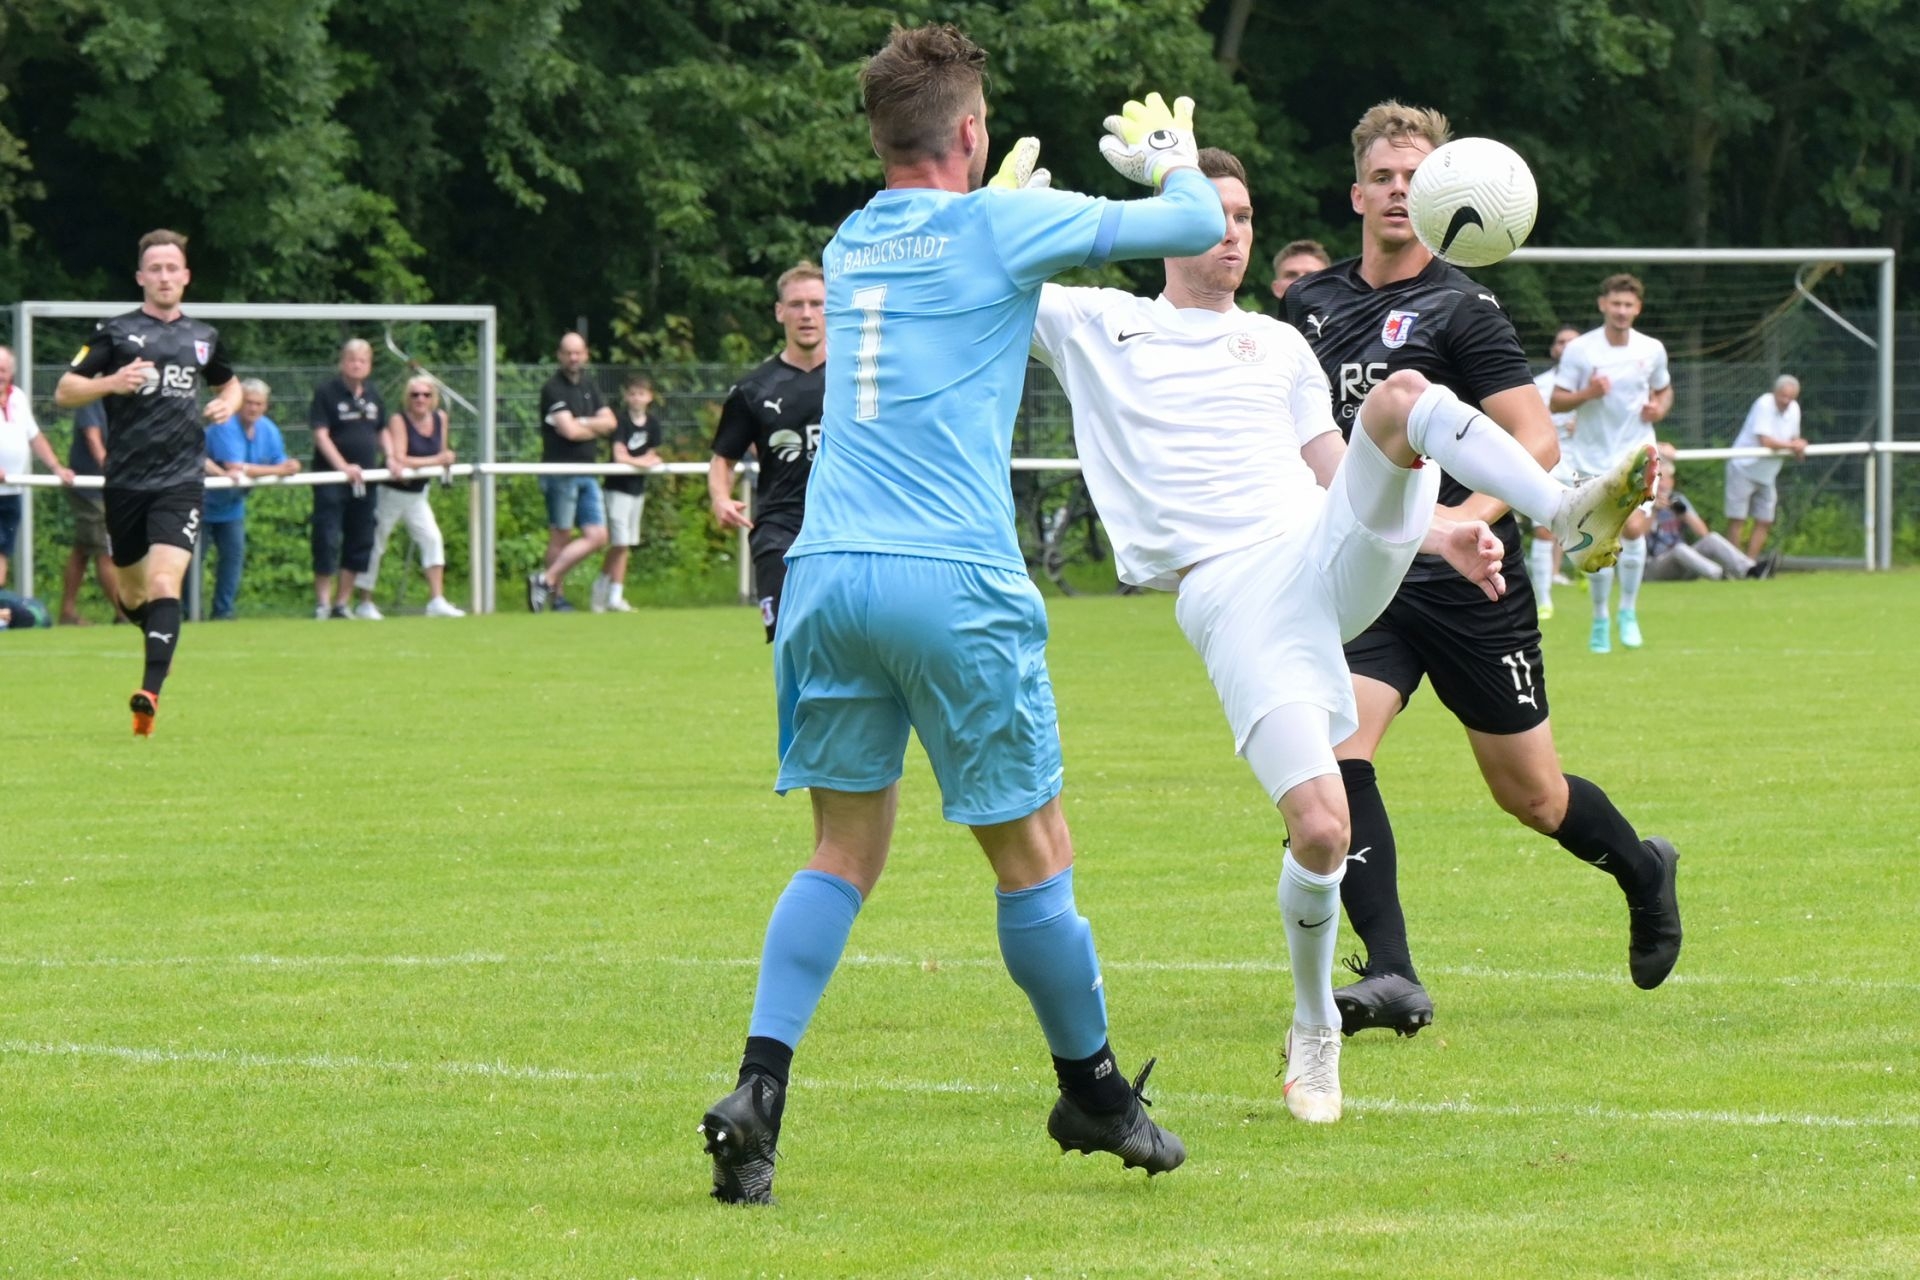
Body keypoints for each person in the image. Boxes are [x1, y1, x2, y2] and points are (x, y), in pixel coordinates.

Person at [698, 24, 1229, 1205]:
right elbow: (1196, 226)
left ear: (882, 136)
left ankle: (758, 1090)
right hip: (949, 577)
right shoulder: (997, 224)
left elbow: (946, 261)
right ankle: (1094, 1090)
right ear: (974, 131)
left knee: (842, 850)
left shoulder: (850, 241)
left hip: (827, 571)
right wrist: (1172, 159)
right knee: (1036, 855)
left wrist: (997, 210)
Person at [1038, 147, 1649, 1123]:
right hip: (1233, 591)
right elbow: (976, 271)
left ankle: (1563, 510)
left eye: (1244, 216)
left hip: (1325, 550)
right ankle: (1315, 1020)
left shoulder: (1277, 343)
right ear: (1166, 225)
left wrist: (1444, 531)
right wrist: (1013, 205)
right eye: (1209, 213)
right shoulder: (1092, 319)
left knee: (1401, 396)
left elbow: (1335, 466)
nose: (1232, 233)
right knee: (1322, 825)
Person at [1285, 102, 1682, 1039]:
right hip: (1366, 579)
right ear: (1356, 194)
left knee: (1533, 797)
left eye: (1413, 178)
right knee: (1335, 759)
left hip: (1472, 582)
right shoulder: (1307, 307)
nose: (1398, 192)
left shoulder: (1462, 308)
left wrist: (1465, 522)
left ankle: (1642, 870)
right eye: (1383, 177)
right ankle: (1391, 972)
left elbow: (1536, 438)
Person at [54, 229, 241, 736]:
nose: (164, 276)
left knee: (163, 583)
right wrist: (112, 382)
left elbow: (229, 384)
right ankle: (159, 634)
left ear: (186, 276)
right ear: (141, 277)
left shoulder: (204, 337)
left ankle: (149, 693)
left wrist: (228, 404)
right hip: (125, 483)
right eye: (154, 268)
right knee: (132, 597)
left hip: (181, 481)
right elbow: (65, 390)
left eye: (172, 268)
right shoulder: (114, 333)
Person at [1553, 274, 1673, 652]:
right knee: (1600, 538)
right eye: (1616, 303)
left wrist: (1658, 408)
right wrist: (1589, 393)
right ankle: (1600, 616)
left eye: (1628, 305)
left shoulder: (1651, 349)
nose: (1622, 311)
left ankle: (1628, 611)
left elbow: (1664, 390)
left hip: (1637, 453)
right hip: (1590, 458)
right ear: (1602, 304)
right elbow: (1557, 400)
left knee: (1634, 530)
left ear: (1638, 309)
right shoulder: (1581, 350)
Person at [707, 263, 826, 640]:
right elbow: (723, 458)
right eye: (796, 304)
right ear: (779, 312)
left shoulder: (859, 380)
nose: (806, 314)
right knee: (789, 638)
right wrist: (720, 499)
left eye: (817, 304)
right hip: (780, 529)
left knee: (847, 643)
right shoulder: (754, 390)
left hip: (846, 525)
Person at [353, 375, 463, 618]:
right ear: (407, 398)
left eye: (426, 395)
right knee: (376, 543)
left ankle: (436, 600)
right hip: (391, 492)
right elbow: (401, 458)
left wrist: (446, 458)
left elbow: (442, 452)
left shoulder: (440, 418)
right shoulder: (398, 420)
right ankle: (364, 602)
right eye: (415, 395)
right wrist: (438, 460)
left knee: (432, 538)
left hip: (417, 495)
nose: (420, 399)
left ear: (433, 398)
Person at [525, 332, 614, 612]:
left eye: (578, 352)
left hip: (587, 470)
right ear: (560, 355)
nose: (574, 358)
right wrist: (591, 425)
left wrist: (581, 422)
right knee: (560, 536)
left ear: (585, 354)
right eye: (568, 353)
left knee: (598, 536)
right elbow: (570, 431)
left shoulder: (589, 385)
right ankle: (557, 598)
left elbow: (611, 422)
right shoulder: (553, 388)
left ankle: (545, 580)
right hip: (560, 471)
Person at [202, 378, 299, 620]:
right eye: (248, 402)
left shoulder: (268, 429)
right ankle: (186, 611)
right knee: (191, 561)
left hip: (232, 506)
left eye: (259, 403)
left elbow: (280, 461)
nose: (253, 408)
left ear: (266, 406)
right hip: (199, 504)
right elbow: (234, 466)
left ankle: (223, 613)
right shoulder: (225, 424)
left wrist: (290, 466)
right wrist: (279, 470)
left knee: (232, 559)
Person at [309, 338, 386, 620]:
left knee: (361, 539)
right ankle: (323, 604)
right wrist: (343, 467)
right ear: (342, 363)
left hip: (366, 482)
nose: (357, 365)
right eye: (352, 359)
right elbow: (320, 435)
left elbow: (382, 431)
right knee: (326, 538)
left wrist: (392, 457)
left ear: (369, 365)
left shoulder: (374, 394)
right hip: (332, 479)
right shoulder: (326, 393)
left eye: (362, 360)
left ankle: (342, 604)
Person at [0, 343, 79, 588]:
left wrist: (56, 467)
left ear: (10, 373)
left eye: (2, 370)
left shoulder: (18, 397)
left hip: (12, 493)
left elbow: (34, 436)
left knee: (2, 555)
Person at [593, 373, 663, 613]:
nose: (636, 398)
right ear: (626, 396)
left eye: (641, 394)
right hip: (617, 489)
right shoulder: (621, 422)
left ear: (649, 397)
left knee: (625, 544)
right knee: (620, 543)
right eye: (632, 394)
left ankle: (607, 590)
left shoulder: (653, 423)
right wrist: (642, 463)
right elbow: (619, 455)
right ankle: (609, 593)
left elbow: (653, 454)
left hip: (637, 490)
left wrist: (642, 461)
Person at [1528, 324, 1583, 620]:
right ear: (1553, 349)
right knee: (1544, 529)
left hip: (1586, 465)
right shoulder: (1538, 386)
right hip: (1549, 463)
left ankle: (1586, 574)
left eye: (1573, 342)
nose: (1567, 347)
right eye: (1561, 342)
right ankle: (1544, 599)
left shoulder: (1598, 382)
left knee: (1585, 527)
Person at [1647, 443, 1759, 580]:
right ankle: (1720, 576)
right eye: (1656, 480)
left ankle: (1750, 570)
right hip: (1654, 566)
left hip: (1685, 562)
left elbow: (1703, 533)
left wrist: (1684, 514)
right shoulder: (1643, 501)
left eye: (1663, 480)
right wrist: (1654, 510)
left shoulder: (1677, 499)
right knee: (1679, 548)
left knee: (1712, 539)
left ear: (1672, 481)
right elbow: (1636, 537)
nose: (1660, 485)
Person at [1725, 374, 1804, 561]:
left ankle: (1750, 565)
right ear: (1775, 392)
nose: (1786, 401)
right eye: (1783, 396)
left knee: (1765, 520)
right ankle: (1734, 564)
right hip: (1743, 468)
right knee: (1737, 519)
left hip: (1767, 474)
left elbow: (1794, 439)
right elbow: (1766, 441)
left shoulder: (1794, 409)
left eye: (1791, 397)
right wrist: (1793, 446)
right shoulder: (1764, 404)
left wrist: (1799, 445)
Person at [58, 401, 124, 625]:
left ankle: (67, 612)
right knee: (105, 550)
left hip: (105, 488)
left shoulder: (119, 398)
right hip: (89, 489)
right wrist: (114, 473)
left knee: (82, 550)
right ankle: (124, 613)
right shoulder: (90, 399)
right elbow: (93, 439)